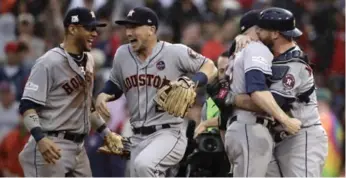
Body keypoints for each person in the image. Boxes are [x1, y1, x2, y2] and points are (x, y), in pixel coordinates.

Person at [95, 7, 217, 177]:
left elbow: (210, 66)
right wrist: (103, 94)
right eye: (127, 27)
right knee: (138, 167)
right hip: (137, 136)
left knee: (144, 165)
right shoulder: (122, 54)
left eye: (135, 27)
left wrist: (192, 82)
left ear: (151, 29)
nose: (129, 32)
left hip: (169, 132)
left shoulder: (174, 52)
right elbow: (115, 83)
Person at [229, 7, 328, 177]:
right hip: (278, 138)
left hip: (302, 138)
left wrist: (234, 99)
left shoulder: (294, 63)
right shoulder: (271, 54)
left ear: (275, 34)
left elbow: (269, 103)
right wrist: (240, 37)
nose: (257, 32)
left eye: (261, 29)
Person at [18, 7, 116, 177]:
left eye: (95, 29)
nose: (94, 33)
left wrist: (106, 133)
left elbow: (87, 105)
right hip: (52, 143)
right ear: (72, 29)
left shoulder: (90, 60)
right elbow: (27, 106)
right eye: (89, 28)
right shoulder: (48, 62)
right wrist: (40, 139)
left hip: (79, 147)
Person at [223, 10, 302, 177]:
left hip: (246, 127)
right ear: (253, 29)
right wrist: (285, 120)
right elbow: (256, 89)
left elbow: (219, 89)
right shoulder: (256, 49)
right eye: (259, 27)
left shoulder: (238, 50)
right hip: (250, 126)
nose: (261, 31)